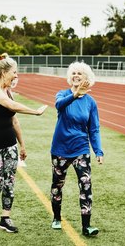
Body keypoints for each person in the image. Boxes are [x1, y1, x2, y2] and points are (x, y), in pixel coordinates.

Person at [0, 53, 47, 233]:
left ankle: (5, 218)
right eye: (14, 72)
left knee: (10, 183)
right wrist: (35, 112)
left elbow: (14, 120)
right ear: (4, 72)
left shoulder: (7, 90)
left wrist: (22, 145)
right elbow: (11, 106)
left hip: (9, 144)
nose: (16, 76)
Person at [50, 61, 104, 236]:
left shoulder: (90, 102)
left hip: (81, 149)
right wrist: (74, 94)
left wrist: (98, 151)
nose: (76, 75)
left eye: (80, 73)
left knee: (86, 186)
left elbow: (94, 129)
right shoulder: (62, 95)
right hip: (60, 149)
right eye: (73, 73)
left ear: (86, 78)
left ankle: (86, 226)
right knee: (57, 185)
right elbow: (59, 105)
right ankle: (57, 218)